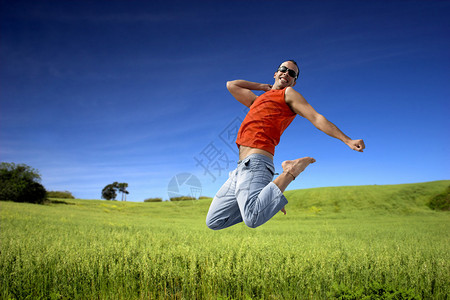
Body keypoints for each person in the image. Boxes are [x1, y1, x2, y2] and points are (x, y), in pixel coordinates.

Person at [206, 60, 365, 230]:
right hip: (240, 169)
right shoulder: (257, 101)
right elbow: (232, 85)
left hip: (257, 162)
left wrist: (347, 140)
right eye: (283, 70)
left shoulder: (288, 94)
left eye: (292, 74)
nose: (286, 74)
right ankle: (269, 200)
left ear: (294, 81)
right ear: (276, 73)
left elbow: (316, 117)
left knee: (252, 219)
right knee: (215, 221)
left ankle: (291, 170)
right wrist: (262, 87)